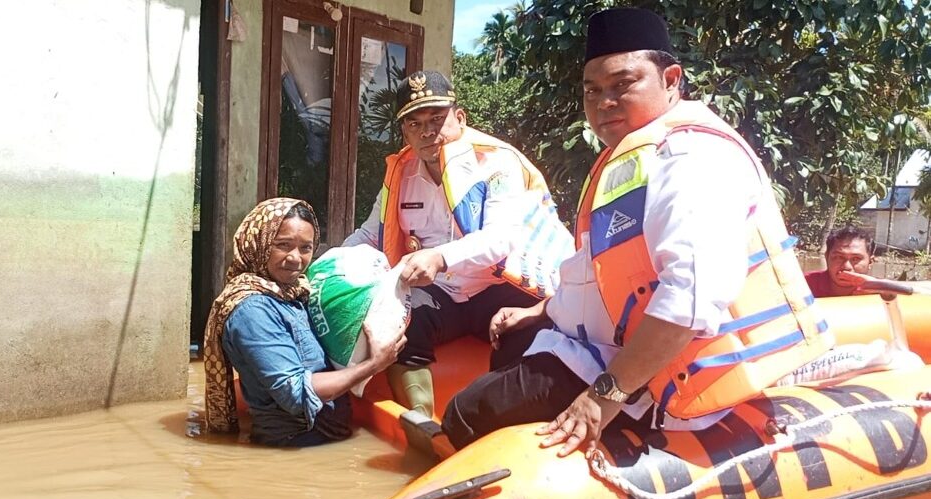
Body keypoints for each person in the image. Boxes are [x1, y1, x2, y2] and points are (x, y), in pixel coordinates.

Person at [442, 7, 834, 454]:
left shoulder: (689, 157)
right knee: (513, 339)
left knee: (464, 415)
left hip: (661, 377)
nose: (604, 102)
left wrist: (602, 398)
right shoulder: (636, 154)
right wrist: (541, 311)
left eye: (622, 85)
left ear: (670, 79)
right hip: (601, 346)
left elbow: (688, 302)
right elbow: (605, 276)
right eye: (592, 90)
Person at [343, 70, 570, 420]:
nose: (427, 131)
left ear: (460, 118)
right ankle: (419, 420)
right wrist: (327, 264)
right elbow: (371, 235)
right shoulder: (401, 173)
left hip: (498, 285)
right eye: (415, 123)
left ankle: (504, 423)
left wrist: (439, 256)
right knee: (394, 322)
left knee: (531, 331)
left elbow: (501, 237)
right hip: (439, 293)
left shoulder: (494, 162)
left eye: (437, 118)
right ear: (405, 132)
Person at [202, 198, 406, 446]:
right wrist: (374, 363)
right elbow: (295, 392)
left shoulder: (294, 291)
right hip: (295, 445)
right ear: (258, 243)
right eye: (283, 245)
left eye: (305, 248)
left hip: (320, 442)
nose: (295, 258)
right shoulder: (252, 310)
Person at [805, 226, 875, 297]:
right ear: (826, 257)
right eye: (839, 257)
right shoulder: (802, 286)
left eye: (855, 259)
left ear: (870, 262)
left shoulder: (879, 292)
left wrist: (879, 286)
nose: (846, 267)